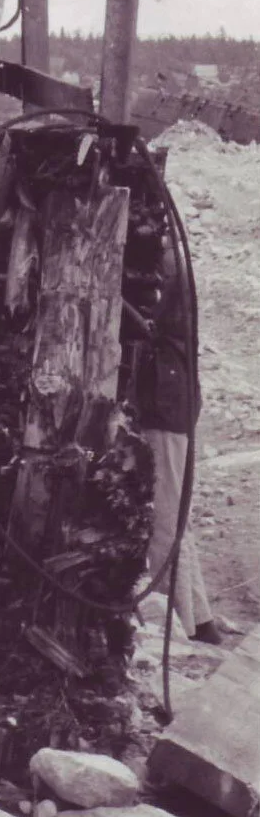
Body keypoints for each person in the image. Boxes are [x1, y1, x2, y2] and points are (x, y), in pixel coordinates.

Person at [137, 237, 232, 644]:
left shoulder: (162, 260)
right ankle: (199, 619)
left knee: (163, 517)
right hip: (171, 400)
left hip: (164, 402)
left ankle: (172, 626)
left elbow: (142, 320)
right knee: (174, 514)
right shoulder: (170, 253)